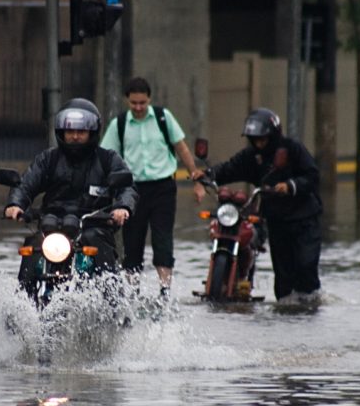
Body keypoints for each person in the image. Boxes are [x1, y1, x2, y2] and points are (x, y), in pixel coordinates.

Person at [5, 98, 137, 290]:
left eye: (81, 132)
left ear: (91, 133)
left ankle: (113, 303)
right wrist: (15, 204)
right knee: (33, 244)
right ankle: (22, 303)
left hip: (93, 225)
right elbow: (26, 183)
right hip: (52, 225)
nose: (75, 136)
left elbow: (127, 187)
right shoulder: (48, 159)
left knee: (97, 243)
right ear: (62, 133)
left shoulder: (107, 159)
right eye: (70, 131)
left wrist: (123, 207)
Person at [201, 107, 322, 302]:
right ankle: (285, 306)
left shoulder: (292, 149)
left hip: (304, 220)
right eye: (255, 140)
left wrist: (290, 186)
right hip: (276, 220)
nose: (259, 144)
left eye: (262, 139)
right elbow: (230, 168)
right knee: (283, 275)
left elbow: (312, 175)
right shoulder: (251, 157)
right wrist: (207, 175)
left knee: (305, 264)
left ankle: (310, 304)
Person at [99, 77, 204, 296]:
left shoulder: (163, 118)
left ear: (149, 100)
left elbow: (182, 148)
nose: (138, 108)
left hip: (163, 188)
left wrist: (196, 179)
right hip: (132, 191)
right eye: (134, 103)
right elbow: (105, 157)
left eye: (142, 103)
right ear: (127, 100)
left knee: (162, 239)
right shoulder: (119, 124)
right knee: (132, 242)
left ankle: (164, 291)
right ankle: (132, 293)